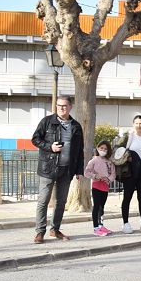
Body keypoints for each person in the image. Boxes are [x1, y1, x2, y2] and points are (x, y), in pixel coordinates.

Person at [31, 95, 85, 243]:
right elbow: (35, 139)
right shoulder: (47, 122)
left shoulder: (76, 126)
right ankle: (40, 231)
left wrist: (79, 170)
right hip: (47, 168)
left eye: (65, 106)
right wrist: (50, 147)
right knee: (43, 200)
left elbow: (80, 150)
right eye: (59, 106)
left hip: (67, 170)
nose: (62, 108)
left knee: (61, 202)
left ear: (70, 107)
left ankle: (55, 229)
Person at [84, 140, 116, 236]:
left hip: (105, 186)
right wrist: (96, 176)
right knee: (96, 206)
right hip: (96, 185)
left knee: (102, 207)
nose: (103, 150)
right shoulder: (93, 160)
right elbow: (87, 172)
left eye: (105, 149)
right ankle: (95, 228)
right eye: (101, 148)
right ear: (98, 148)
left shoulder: (110, 162)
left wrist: (109, 179)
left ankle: (101, 225)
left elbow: (113, 174)